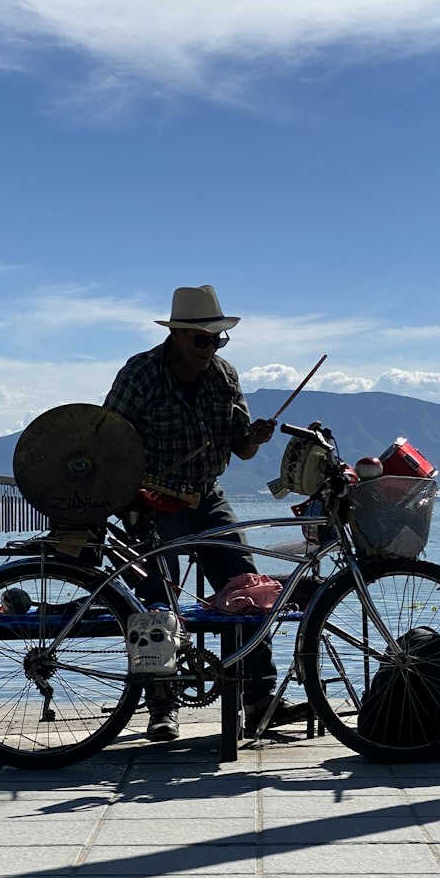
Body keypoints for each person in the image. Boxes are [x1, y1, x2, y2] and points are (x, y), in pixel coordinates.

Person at [104, 284, 307, 742]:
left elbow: (243, 448)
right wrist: (131, 501)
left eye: (218, 340)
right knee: (157, 604)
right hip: (152, 499)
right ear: (177, 334)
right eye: (202, 340)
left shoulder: (224, 375)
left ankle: (260, 700)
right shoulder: (139, 375)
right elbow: (107, 441)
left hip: (207, 495)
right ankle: (162, 706)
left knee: (250, 590)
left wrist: (254, 436)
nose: (211, 348)